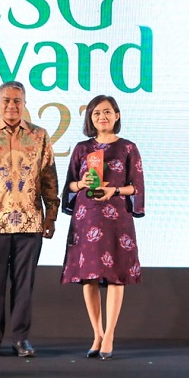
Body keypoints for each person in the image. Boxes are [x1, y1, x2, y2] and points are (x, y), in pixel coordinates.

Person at [0, 80, 60, 357]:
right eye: (6, 100)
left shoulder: (39, 135)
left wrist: (51, 215)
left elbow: (49, 177)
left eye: (17, 101)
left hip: (30, 222)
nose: (11, 105)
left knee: (24, 286)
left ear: (25, 103)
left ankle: (21, 339)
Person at [61, 95, 145, 360]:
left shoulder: (128, 147)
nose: (102, 117)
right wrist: (82, 183)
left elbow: (136, 187)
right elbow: (70, 185)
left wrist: (115, 190)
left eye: (107, 112)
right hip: (86, 218)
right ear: (90, 118)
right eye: (96, 113)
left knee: (116, 276)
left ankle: (110, 334)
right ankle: (97, 333)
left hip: (116, 219)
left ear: (117, 115)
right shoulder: (82, 148)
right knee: (88, 277)